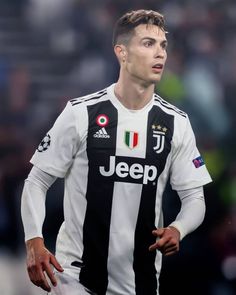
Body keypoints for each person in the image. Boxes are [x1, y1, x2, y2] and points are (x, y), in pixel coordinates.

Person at [21, 9, 212, 295]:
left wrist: (178, 229)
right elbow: (36, 182)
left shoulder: (176, 123)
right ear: (121, 52)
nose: (160, 53)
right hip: (76, 279)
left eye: (163, 46)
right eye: (148, 44)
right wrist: (34, 240)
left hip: (141, 283)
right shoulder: (81, 113)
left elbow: (195, 198)